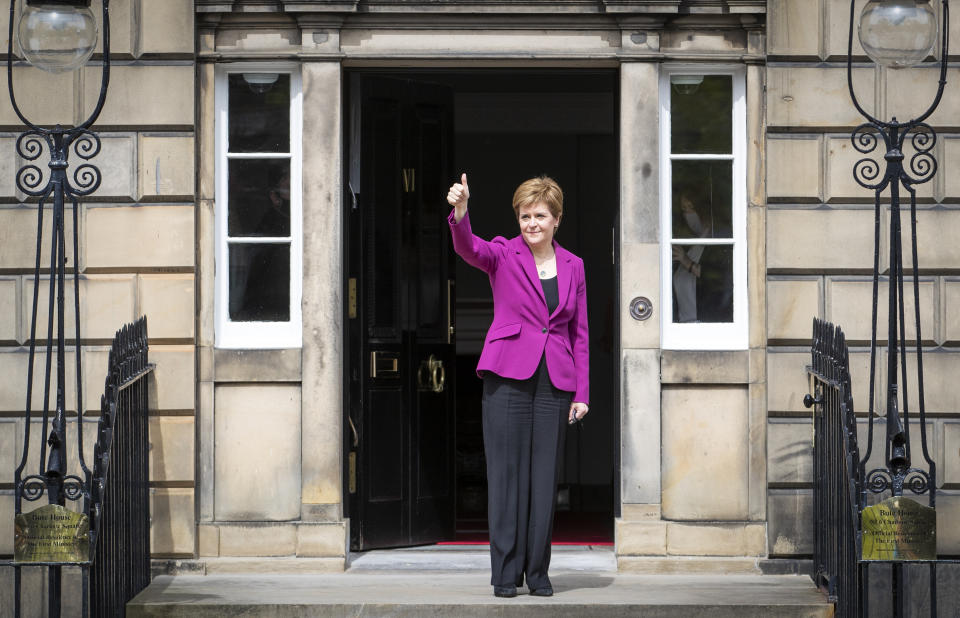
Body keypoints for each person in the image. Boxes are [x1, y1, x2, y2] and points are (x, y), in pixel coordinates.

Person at [446, 173, 589, 599]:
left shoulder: (574, 265)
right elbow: (468, 247)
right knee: (506, 476)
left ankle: (539, 572)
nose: (531, 223)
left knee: (544, 478)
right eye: (525, 216)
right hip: (507, 375)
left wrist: (582, 393)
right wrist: (460, 211)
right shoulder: (503, 254)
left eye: (540, 216)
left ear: (556, 219)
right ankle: (505, 574)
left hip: (555, 378)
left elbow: (579, 332)